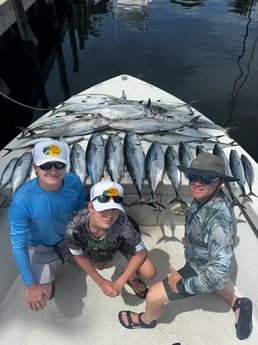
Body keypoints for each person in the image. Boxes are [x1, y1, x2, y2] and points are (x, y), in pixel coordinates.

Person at [118, 153, 253, 341]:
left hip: (203, 268)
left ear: (220, 182)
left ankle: (146, 320)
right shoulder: (207, 198)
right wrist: (192, 240)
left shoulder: (219, 225)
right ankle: (237, 302)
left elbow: (219, 278)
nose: (197, 183)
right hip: (202, 258)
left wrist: (181, 284)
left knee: (154, 297)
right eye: (193, 176)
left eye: (205, 178)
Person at [9, 139, 87, 312]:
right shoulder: (22, 201)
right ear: (35, 167)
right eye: (46, 166)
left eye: (59, 165)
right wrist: (30, 285)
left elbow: (81, 210)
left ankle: (74, 257)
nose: (53, 171)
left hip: (69, 237)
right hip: (40, 247)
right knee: (43, 297)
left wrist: (87, 237)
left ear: (66, 166)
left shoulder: (74, 182)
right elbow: (18, 246)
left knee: (100, 262)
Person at [65, 180, 156, 299]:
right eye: (103, 210)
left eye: (114, 209)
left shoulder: (123, 223)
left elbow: (140, 253)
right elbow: (79, 255)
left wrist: (120, 282)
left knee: (150, 272)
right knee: (99, 266)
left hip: (122, 242)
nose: (109, 216)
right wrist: (101, 282)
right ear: (90, 207)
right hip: (95, 247)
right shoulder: (75, 228)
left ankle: (132, 277)